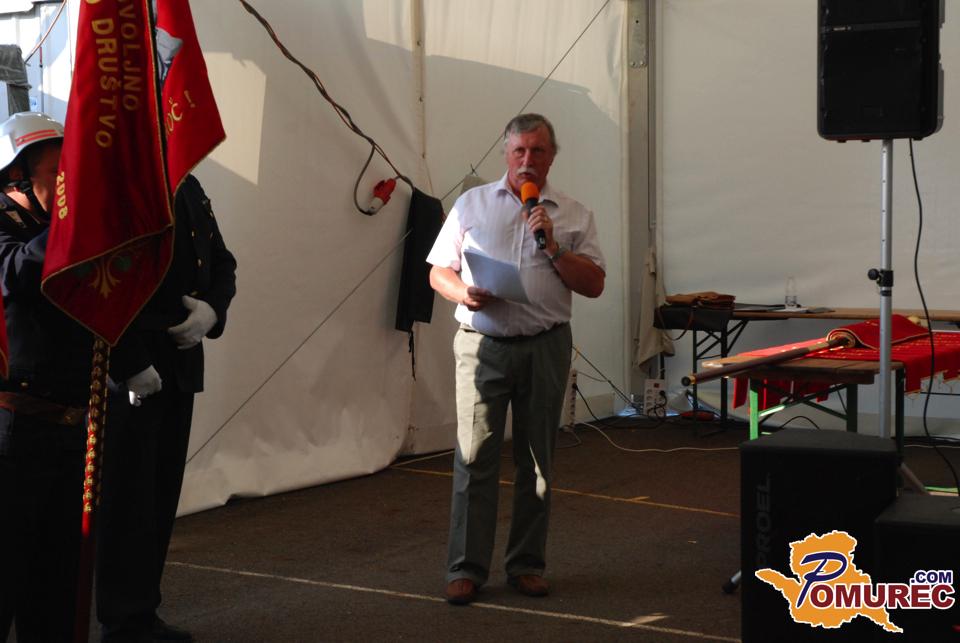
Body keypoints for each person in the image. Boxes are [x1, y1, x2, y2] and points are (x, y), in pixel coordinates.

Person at [427, 113, 605, 605]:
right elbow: (438, 272)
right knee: (474, 458)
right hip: (481, 345)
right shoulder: (472, 204)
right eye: (519, 150)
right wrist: (462, 293)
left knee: (536, 461)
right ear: (505, 153)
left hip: (545, 345)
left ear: (552, 157)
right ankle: (466, 568)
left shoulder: (574, 214)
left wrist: (554, 247)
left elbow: (594, 284)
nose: (527, 160)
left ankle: (526, 565)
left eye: (537, 151)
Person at [96, 174, 237, 642]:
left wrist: (212, 310)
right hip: (134, 356)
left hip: (180, 357)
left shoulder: (188, 182)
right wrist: (127, 361)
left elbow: (221, 259)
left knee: (158, 494)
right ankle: (122, 618)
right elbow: (101, 276)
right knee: (128, 496)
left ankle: (141, 611)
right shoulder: (122, 174)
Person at [0, 112, 91, 642]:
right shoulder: (10, 229)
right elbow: (16, 275)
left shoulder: (63, 228)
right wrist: (74, 219)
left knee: (57, 583)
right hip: (15, 432)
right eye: (59, 174)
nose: (68, 186)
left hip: (72, 427)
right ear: (16, 177)